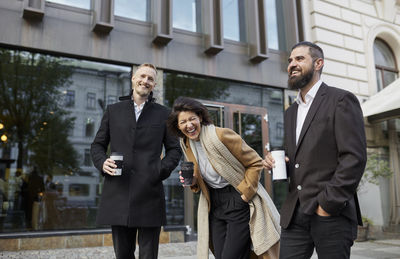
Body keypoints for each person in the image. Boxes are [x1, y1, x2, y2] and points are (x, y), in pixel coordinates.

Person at [263, 41, 367, 259]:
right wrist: (277, 160)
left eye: (299, 59)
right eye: (290, 60)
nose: (292, 64)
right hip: (295, 213)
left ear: (318, 63)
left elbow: (353, 158)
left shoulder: (341, 100)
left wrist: (327, 204)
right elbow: (300, 157)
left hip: (330, 212)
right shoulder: (291, 111)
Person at [167, 97, 280, 259]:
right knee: (220, 255)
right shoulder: (186, 144)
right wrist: (193, 181)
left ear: (200, 117)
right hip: (214, 204)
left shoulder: (221, 135)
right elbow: (202, 176)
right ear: (178, 126)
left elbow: (255, 162)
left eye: (192, 119)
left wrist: (245, 194)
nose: (189, 125)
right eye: (183, 122)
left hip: (237, 198)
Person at [91, 63, 182, 259]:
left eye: (150, 79)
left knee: (148, 255)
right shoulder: (113, 110)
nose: (145, 81)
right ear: (133, 78)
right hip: (119, 192)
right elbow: (97, 145)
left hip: (150, 193)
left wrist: (159, 170)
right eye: (142, 76)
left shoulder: (164, 113)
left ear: (154, 84)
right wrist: (102, 162)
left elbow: (175, 150)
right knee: (123, 254)